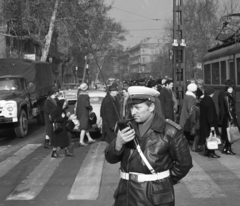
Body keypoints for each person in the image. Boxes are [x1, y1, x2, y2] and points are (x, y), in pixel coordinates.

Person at [105, 86, 192, 206]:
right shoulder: (127, 127)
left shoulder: (170, 131)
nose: (133, 112)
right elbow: (110, 158)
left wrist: (162, 182)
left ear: (151, 107)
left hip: (155, 197)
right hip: (126, 195)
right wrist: (118, 143)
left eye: (137, 107)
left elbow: (184, 164)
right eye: (131, 107)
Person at [199, 87, 221, 158]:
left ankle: (206, 151)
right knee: (212, 137)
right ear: (211, 93)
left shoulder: (203, 100)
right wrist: (212, 125)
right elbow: (210, 114)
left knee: (207, 137)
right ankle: (211, 153)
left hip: (203, 122)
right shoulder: (210, 102)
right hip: (210, 123)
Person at [180, 83, 201, 152]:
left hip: (184, 115)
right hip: (188, 117)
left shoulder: (187, 96)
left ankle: (186, 143)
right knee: (189, 130)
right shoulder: (192, 98)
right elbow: (191, 108)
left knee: (186, 131)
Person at [218, 80, 238, 155]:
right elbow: (228, 109)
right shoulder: (226, 96)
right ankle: (228, 149)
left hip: (229, 116)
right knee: (230, 133)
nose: (231, 89)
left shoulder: (229, 95)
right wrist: (232, 118)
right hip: (229, 117)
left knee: (228, 133)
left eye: (232, 88)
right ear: (226, 88)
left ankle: (226, 148)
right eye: (229, 88)